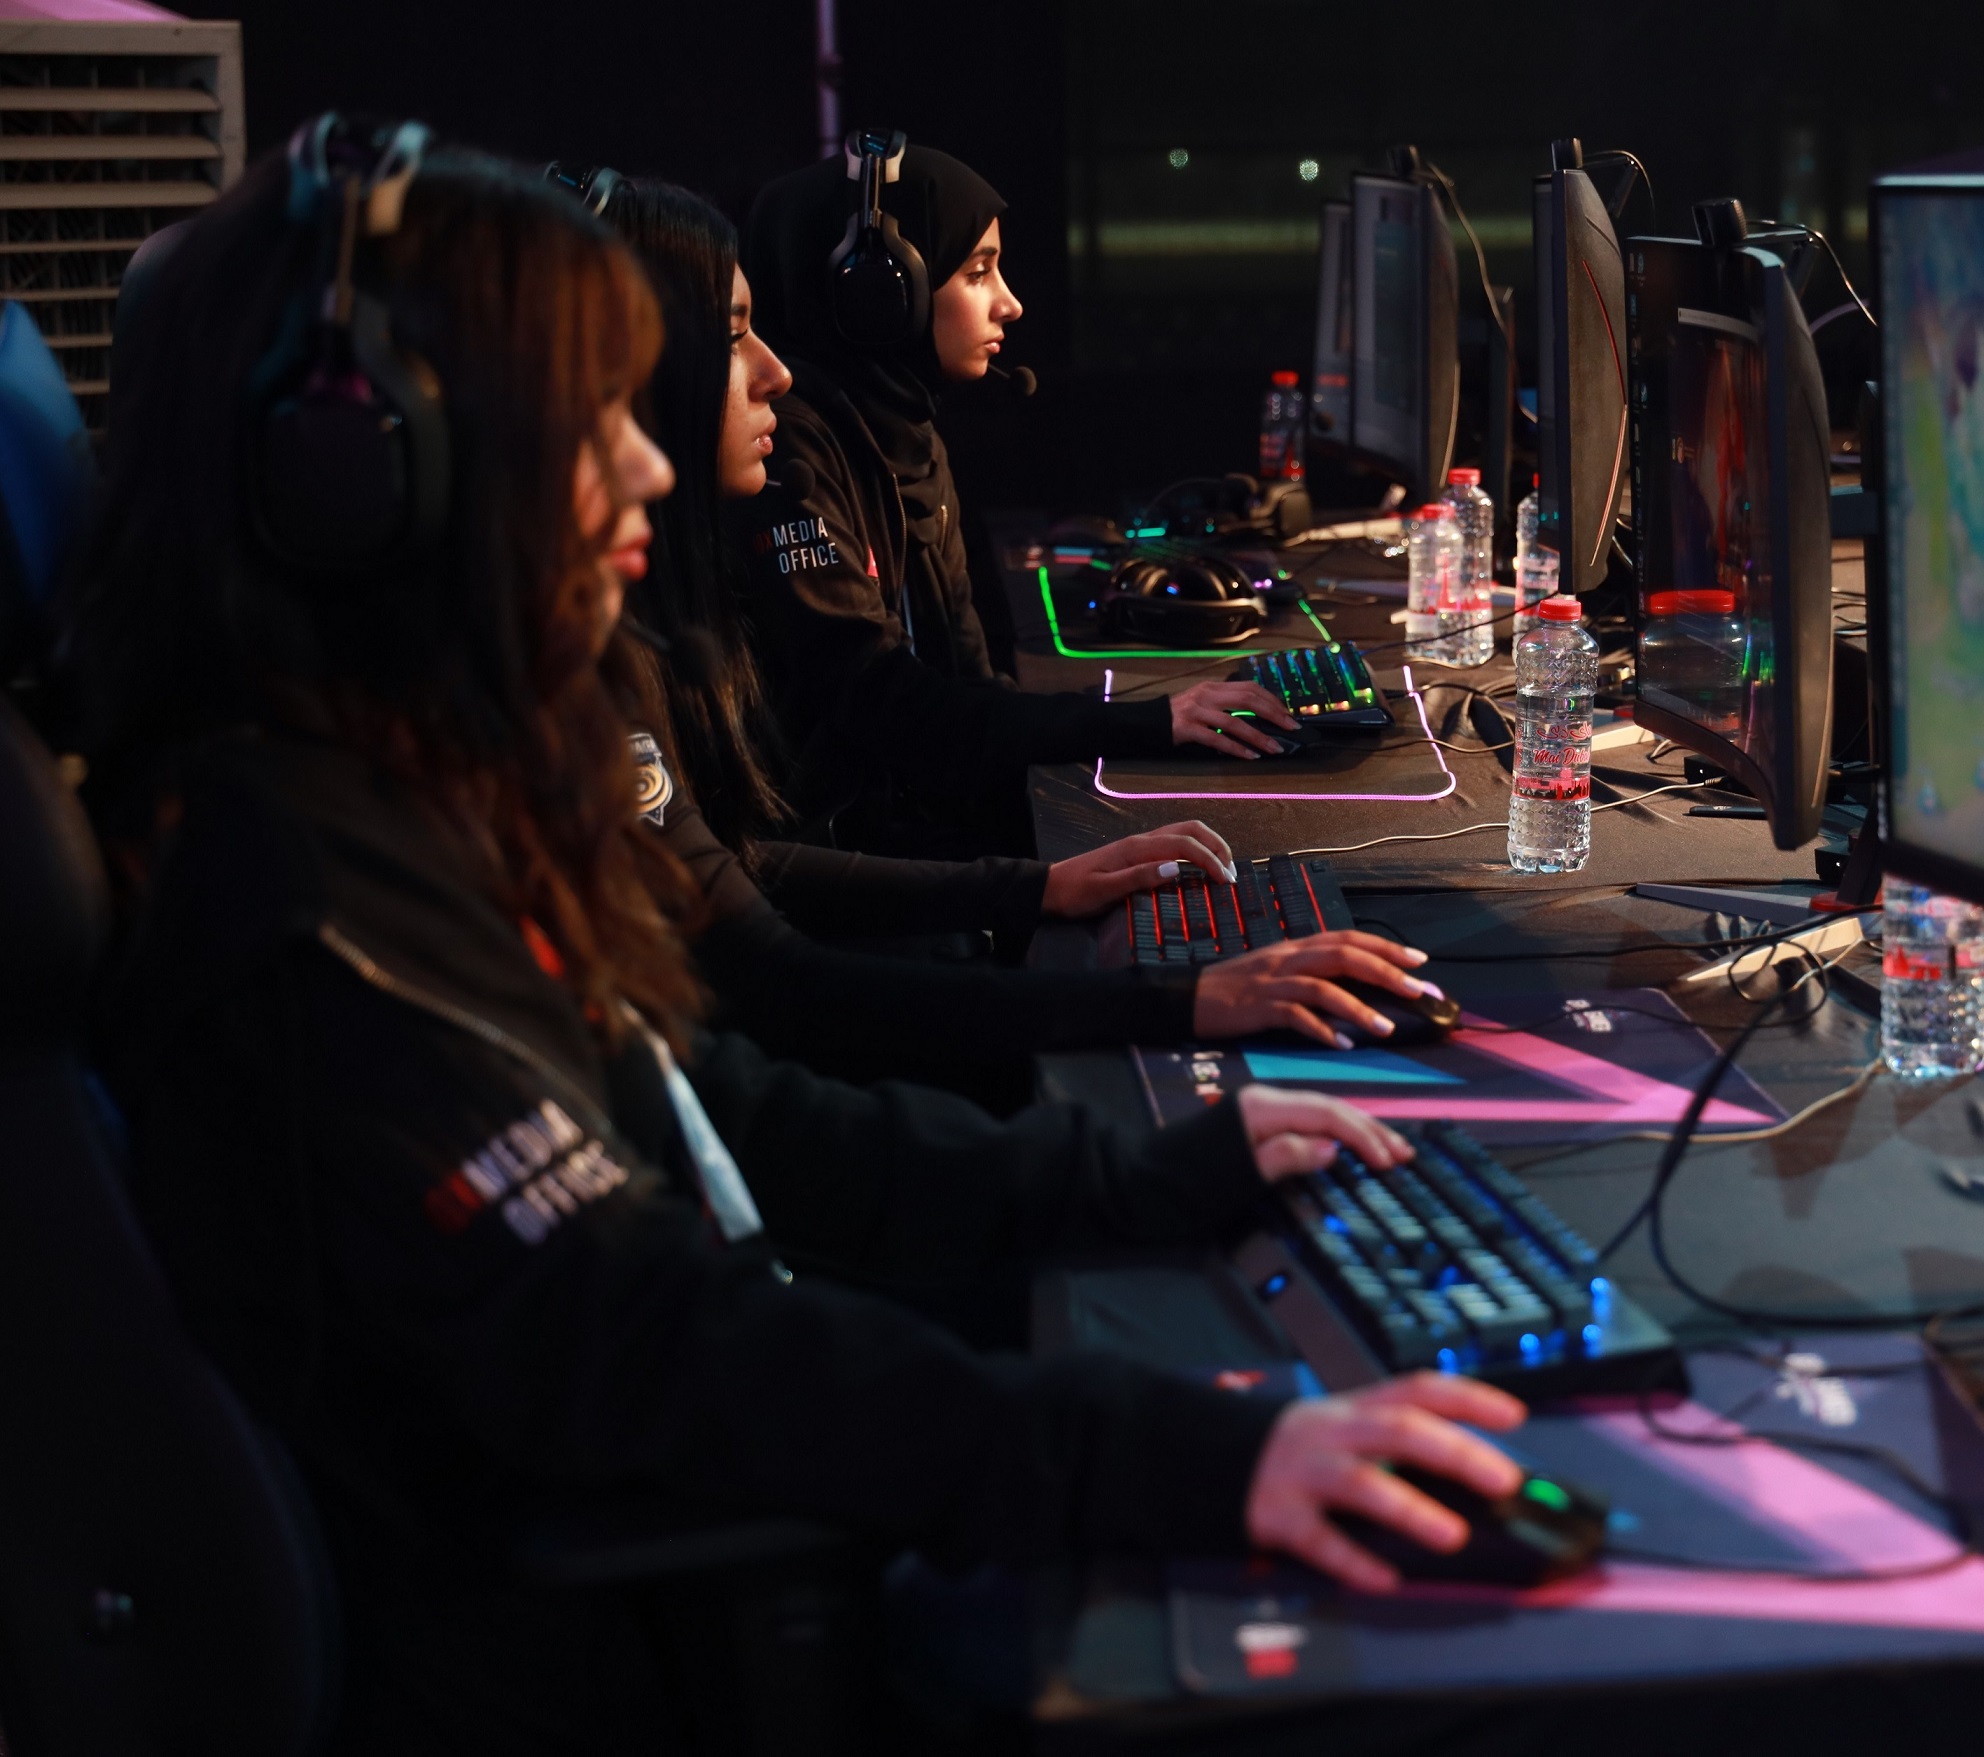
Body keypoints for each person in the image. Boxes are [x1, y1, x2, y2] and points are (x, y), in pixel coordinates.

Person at [68, 121, 1522, 1751]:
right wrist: (1188, 1455)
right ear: (369, 478)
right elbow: (655, 1341)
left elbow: (725, 1113)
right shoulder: (301, 900)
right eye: (590, 419)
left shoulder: (416, 787)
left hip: (695, 1487)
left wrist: (1144, 1170)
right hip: (614, 1652)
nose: (646, 467)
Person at [591, 174, 1440, 1094]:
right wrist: (1173, 996)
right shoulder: (601, 662)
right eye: (729, 337)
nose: (774, 372)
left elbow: (736, 863)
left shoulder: (668, 609)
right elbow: (779, 961)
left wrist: (1041, 886)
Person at [739, 140, 1297, 859]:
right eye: (977, 272)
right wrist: (1147, 722)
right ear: (881, 296)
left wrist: (1146, 722)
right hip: (849, 861)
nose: (1010, 303)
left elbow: (969, 684)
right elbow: (887, 703)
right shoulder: (786, 458)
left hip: (925, 824)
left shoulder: (906, 438)